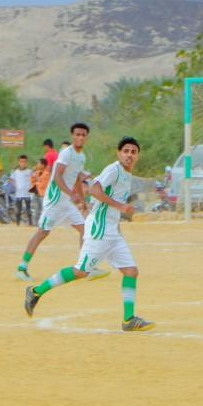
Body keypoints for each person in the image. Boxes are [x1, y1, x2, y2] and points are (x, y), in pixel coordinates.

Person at [25, 137, 154, 332]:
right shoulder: (114, 170)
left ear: (137, 156)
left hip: (112, 231)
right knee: (81, 271)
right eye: (126, 151)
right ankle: (36, 291)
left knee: (131, 271)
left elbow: (110, 203)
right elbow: (94, 189)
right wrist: (121, 206)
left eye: (133, 152)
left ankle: (129, 319)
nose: (129, 155)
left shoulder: (127, 175)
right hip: (99, 230)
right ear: (119, 153)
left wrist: (118, 225)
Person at [16, 123, 108, 282]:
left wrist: (82, 201)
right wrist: (71, 194)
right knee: (42, 232)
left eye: (83, 135)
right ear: (72, 136)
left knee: (85, 230)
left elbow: (77, 179)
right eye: (77, 134)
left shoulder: (81, 157)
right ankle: (22, 268)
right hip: (54, 201)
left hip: (66, 202)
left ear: (86, 137)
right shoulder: (66, 154)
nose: (80, 137)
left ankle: (85, 267)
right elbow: (57, 176)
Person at [11, 155, 34, 226]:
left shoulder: (29, 171)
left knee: (28, 209)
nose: (23, 163)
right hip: (19, 193)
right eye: (21, 162)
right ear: (18, 162)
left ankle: (30, 222)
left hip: (27, 193)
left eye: (24, 162)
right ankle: (18, 223)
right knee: (18, 209)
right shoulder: (15, 172)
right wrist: (15, 185)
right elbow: (11, 179)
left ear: (27, 162)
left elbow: (34, 178)